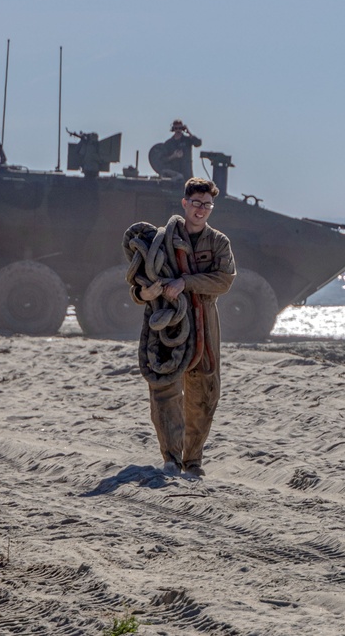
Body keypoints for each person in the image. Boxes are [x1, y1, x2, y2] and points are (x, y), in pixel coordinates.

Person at [135, 177, 236, 476]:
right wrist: (146, 293)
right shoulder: (160, 241)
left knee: (204, 390)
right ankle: (171, 458)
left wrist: (186, 283)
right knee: (164, 387)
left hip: (205, 321)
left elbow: (225, 279)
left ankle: (192, 461)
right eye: (196, 203)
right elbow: (138, 282)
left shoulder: (219, 242)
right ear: (184, 203)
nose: (201, 210)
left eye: (207, 205)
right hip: (166, 319)